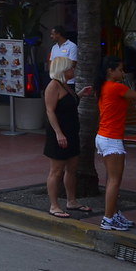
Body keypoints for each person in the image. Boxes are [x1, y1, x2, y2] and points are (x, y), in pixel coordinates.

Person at [95, 55, 136, 231]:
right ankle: (108, 218)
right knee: (115, 180)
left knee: (112, 179)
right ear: (111, 71)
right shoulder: (116, 87)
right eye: (120, 70)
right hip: (111, 138)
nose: (123, 73)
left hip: (104, 136)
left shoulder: (104, 86)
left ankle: (113, 213)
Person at [43, 56, 93, 218]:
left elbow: (69, 104)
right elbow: (50, 111)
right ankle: (54, 205)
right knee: (56, 170)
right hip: (60, 133)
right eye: (70, 68)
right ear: (63, 70)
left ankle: (72, 200)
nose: (73, 71)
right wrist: (58, 133)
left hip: (71, 132)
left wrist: (81, 94)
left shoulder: (66, 86)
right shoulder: (53, 86)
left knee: (72, 168)